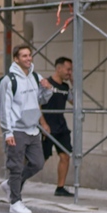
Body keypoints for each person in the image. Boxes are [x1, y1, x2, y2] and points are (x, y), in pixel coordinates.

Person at [0, 44, 53, 213]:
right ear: (16, 59)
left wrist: (48, 89)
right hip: (17, 129)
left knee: (38, 163)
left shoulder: (35, 76)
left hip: (32, 129)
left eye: (29, 55)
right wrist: (8, 132)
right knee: (15, 166)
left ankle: (10, 185)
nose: (28, 59)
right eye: (24, 56)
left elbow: (40, 100)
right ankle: (15, 202)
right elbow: (4, 108)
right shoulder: (9, 80)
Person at [39, 56, 75, 198]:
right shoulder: (46, 83)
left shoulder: (65, 87)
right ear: (58, 68)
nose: (69, 73)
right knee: (39, 160)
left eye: (71, 70)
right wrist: (43, 124)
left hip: (61, 126)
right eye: (68, 69)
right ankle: (17, 181)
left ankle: (60, 187)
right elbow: (37, 105)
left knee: (65, 156)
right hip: (47, 126)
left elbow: (76, 103)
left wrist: (73, 83)